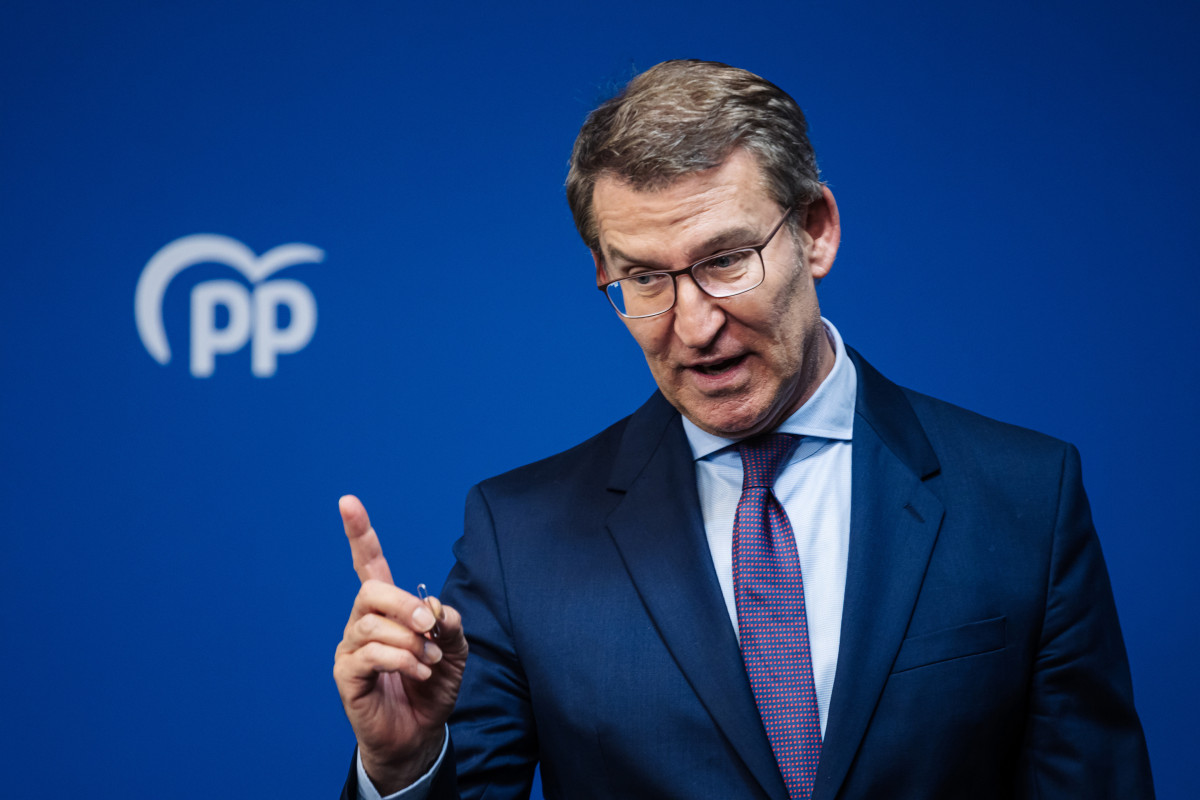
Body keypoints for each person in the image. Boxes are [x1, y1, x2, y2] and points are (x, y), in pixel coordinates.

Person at [333, 60, 1154, 799]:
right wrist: (404, 770)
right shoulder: (520, 539)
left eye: (726, 259)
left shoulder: (1023, 496)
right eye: (646, 277)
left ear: (816, 230)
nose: (693, 326)